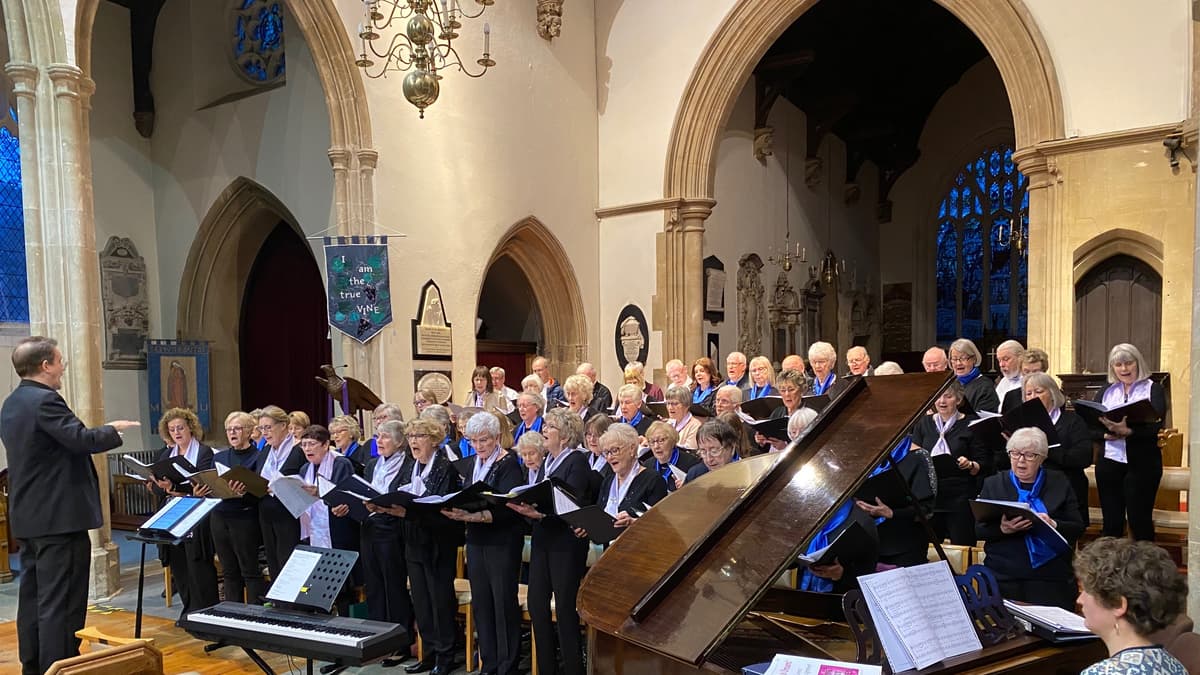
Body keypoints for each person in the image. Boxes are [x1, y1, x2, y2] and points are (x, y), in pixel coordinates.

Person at [1, 336, 136, 674]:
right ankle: (59, 667)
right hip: (59, 519)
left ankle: (34, 665)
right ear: (45, 365)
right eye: (59, 360)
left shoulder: (13, 402)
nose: (63, 366)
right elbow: (79, 440)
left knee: (33, 598)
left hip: (31, 517)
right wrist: (112, 430)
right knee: (61, 603)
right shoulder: (45, 400)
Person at [369, 418, 463, 675]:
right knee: (421, 602)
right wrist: (384, 507)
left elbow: (441, 511)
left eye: (419, 436)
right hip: (413, 542)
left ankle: (445, 655)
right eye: (410, 436)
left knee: (439, 601)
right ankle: (428, 653)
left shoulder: (444, 468)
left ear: (433, 439)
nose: (413, 441)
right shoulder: (413, 467)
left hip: (437, 545)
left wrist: (405, 514)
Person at [440, 413, 525, 675]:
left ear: (497, 437)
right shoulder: (473, 463)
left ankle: (506, 665)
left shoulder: (509, 463)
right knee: (482, 603)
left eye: (484, 440)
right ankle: (488, 663)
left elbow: (510, 508)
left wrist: (473, 515)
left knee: (502, 603)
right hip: (476, 541)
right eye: (473, 440)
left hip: (502, 542)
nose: (478, 446)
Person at [506, 428, 592, 675]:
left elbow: (571, 503)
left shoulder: (576, 460)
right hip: (542, 538)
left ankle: (573, 668)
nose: (543, 433)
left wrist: (541, 513)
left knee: (565, 609)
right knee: (536, 604)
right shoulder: (547, 463)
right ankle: (546, 668)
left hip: (566, 543)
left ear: (563, 436)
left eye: (549, 430)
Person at [975, 428, 1083, 610]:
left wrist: (1053, 524)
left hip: (1050, 577)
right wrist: (1003, 529)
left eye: (1029, 455)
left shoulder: (1059, 482)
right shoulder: (993, 484)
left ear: (1042, 458)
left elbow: (1078, 527)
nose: (1020, 460)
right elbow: (978, 530)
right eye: (1015, 454)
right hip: (1004, 574)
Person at [1074, 537, 1188, 675]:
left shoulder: (1102, 673)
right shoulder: (1175, 666)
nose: (1080, 600)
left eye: (1087, 591)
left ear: (1118, 604)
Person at [995, 373, 1093, 524]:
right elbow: (1003, 462)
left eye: (1039, 391)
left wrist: (1045, 449)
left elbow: (1084, 457)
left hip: (1065, 491)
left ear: (1052, 393)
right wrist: (1011, 447)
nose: (1033, 396)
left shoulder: (1072, 421)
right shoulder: (1021, 424)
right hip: (1030, 491)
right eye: (1029, 393)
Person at [1093, 343, 1167, 541]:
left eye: (1128, 363)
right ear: (1112, 368)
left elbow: (1156, 426)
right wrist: (1104, 435)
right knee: (1111, 522)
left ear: (1138, 363)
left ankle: (1145, 569)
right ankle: (1111, 568)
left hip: (1142, 463)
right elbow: (1090, 426)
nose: (1124, 369)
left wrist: (1129, 431)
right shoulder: (1106, 391)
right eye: (1118, 364)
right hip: (1109, 461)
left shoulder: (1154, 389)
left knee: (1139, 520)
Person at [150, 407, 220, 617]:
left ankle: (205, 611)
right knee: (179, 565)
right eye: (172, 430)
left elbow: (204, 483)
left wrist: (180, 489)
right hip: (173, 515)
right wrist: (162, 486)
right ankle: (188, 611)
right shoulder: (165, 454)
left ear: (190, 427)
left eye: (180, 428)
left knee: (198, 564)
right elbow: (155, 487)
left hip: (197, 515)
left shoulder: (204, 452)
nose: (177, 433)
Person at [355, 419, 415, 665]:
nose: (379, 441)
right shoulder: (371, 464)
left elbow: (407, 499)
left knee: (394, 587)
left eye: (385, 437)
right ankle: (377, 640)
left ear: (400, 441)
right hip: (369, 527)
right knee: (375, 586)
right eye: (377, 436)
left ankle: (401, 642)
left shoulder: (408, 466)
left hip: (393, 530)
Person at [910, 381, 985, 545]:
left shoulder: (972, 424)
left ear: (958, 400)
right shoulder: (924, 423)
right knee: (929, 546)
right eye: (938, 396)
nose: (942, 401)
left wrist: (970, 464)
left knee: (962, 545)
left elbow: (983, 463)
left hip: (959, 496)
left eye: (948, 396)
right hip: (931, 495)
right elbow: (915, 454)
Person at [297, 424, 359, 615]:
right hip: (314, 532)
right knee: (318, 581)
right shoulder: (305, 468)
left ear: (326, 445)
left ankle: (345, 621)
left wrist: (320, 492)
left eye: (312, 444)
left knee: (343, 585)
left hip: (339, 531)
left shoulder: (341, 464)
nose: (307, 448)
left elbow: (345, 494)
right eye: (304, 444)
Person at [210, 411, 266, 604]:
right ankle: (232, 616)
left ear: (250, 431)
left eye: (237, 429)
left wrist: (245, 492)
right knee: (228, 571)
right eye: (229, 429)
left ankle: (255, 616)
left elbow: (262, 491)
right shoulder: (220, 458)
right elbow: (213, 484)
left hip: (245, 518)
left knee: (249, 570)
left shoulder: (258, 457)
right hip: (220, 516)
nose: (232, 433)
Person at [855, 438, 935, 567]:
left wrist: (891, 513)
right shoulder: (863, 458)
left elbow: (926, 509)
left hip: (905, 544)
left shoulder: (916, 456)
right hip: (869, 543)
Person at [585, 423, 667, 540]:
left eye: (614, 450)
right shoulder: (608, 481)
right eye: (606, 452)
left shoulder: (653, 480)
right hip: (609, 551)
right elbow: (600, 518)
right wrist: (586, 527)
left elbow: (659, 526)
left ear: (632, 448)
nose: (609, 457)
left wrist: (633, 522)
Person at [254, 405, 306, 581]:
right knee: (273, 559)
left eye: (268, 427)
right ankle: (278, 603)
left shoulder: (298, 450)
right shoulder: (266, 451)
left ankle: (294, 606)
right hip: (267, 511)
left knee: (289, 560)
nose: (265, 433)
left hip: (290, 513)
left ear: (283, 425)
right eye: (261, 428)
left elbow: (305, 481)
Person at [642, 420, 700, 492]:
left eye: (661, 441)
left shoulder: (691, 464)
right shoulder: (647, 466)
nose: (656, 446)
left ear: (672, 441)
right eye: (652, 442)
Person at [759, 369, 809, 452]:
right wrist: (762, 442)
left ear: (802, 390)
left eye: (791, 390)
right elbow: (767, 447)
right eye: (782, 390)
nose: (786, 394)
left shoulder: (808, 415)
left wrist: (785, 448)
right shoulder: (777, 412)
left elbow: (812, 446)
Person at [681, 419, 742, 485]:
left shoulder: (747, 473)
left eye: (714, 451)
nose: (709, 459)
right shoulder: (695, 475)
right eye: (703, 451)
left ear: (732, 448)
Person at [949, 338, 1000, 414]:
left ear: (974, 359)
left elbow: (985, 419)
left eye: (963, 358)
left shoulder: (985, 386)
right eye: (954, 359)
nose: (958, 363)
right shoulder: (949, 385)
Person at [1000, 348, 1049, 414]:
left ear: (1044, 371)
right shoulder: (1011, 396)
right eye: (1026, 371)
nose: (1030, 376)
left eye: (1035, 372)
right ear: (1021, 371)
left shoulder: (1053, 394)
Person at [663, 384, 702, 449]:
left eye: (675, 404)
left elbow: (690, 453)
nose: (670, 407)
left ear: (686, 405)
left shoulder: (695, 426)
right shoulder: (668, 423)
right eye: (668, 403)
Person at [993, 339, 1025, 410]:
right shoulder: (1003, 382)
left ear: (1020, 358)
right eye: (999, 360)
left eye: (1006, 359)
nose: (1001, 364)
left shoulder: (1029, 382)